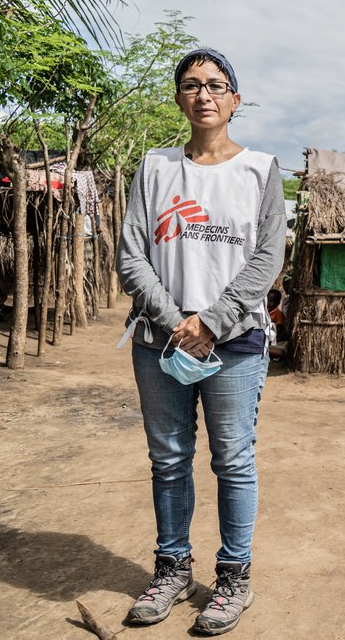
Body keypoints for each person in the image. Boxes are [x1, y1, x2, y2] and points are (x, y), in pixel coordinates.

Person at [116, 47, 284, 636]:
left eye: (216, 85)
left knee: (233, 461)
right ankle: (172, 568)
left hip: (233, 343)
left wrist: (211, 321)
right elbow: (130, 252)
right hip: (159, 339)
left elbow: (268, 257)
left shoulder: (260, 170)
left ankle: (234, 576)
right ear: (178, 97)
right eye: (191, 85)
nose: (203, 95)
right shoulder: (154, 167)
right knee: (168, 460)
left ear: (235, 100)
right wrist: (172, 318)